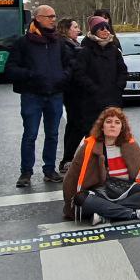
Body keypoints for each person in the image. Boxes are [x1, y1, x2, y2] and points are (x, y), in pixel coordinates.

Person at [6, 4, 72, 188]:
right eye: (49, 16)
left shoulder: (58, 42)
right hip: (32, 95)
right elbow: (10, 69)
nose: (53, 19)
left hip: (54, 94)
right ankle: (26, 172)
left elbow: (69, 65)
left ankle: (50, 170)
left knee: (52, 134)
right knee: (30, 134)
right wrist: (31, 75)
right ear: (38, 18)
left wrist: (63, 77)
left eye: (54, 16)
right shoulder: (23, 42)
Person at [62, 108, 140, 224]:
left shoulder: (131, 145)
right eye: (108, 122)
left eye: (117, 122)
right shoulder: (89, 147)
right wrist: (69, 207)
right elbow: (71, 177)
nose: (112, 125)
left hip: (127, 191)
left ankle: (105, 214)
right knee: (81, 199)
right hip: (100, 194)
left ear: (122, 128)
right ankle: (134, 213)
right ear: (102, 127)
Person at [72, 16, 130, 163]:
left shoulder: (114, 51)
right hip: (93, 102)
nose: (105, 30)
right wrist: (94, 89)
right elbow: (79, 74)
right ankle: (93, 168)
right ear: (94, 31)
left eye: (107, 28)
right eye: (101, 28)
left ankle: (113, 167)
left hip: (113, 99)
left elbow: (123, 71)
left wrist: (119, 87)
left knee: (114, 135)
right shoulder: (85, 52)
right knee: (94, 137)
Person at [58, 17, 85, 173]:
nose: (78, 30)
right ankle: (67, 159)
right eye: (75, 27)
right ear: (66, 29)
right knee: (77, 125)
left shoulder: (73, 44)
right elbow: (71, 65)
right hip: (72, 91)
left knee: (74, 126)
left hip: (76, 90)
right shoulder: (64, 45)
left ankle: (68, 158)